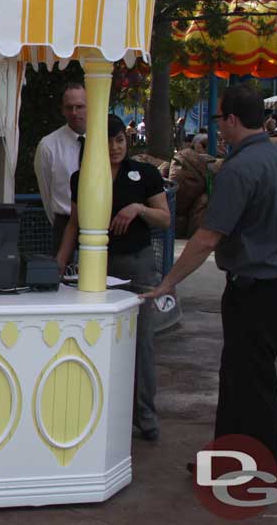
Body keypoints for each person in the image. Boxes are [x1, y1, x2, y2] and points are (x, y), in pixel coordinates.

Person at [141, 85, 277, 482]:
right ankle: (232, 461)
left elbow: (206, 238)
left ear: (233, 121)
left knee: (249, 381)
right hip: (276, 285)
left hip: (253, 288)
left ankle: (255, 471)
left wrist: (167, 282)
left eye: (221, 118)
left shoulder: (238, 169)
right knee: (245, 376)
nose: (219, 126)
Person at [56, 114, 171, 441]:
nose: (115, 147)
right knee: (95, 337)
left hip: (137, 263)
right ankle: (98, 412)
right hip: (96, 266)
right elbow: (73, 224)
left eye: (119, 140)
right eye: (107, 141)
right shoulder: (82, 177)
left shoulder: (145, 174)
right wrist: (60, 261)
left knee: (142, 341)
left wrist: (137, 209)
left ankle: (146, 417)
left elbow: (164, 218)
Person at [34, 82, 87, 252]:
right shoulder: (48, 145)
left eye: (79, 106)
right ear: (62, 110)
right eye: (69, 107)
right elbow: (46, 191)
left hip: (102, 224)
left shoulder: (105, 140)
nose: (74, 112)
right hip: (64, 224)